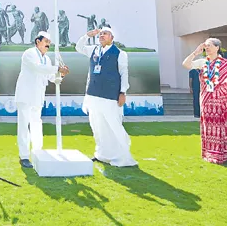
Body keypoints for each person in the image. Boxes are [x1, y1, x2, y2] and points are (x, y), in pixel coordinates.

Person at [75, 27, 137, 167]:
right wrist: (87, 35)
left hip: (110, 96)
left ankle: (123, 157)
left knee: (114, 126)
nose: (102, 35)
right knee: (97, 126)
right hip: (93, 94)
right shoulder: (94, 50)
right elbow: (78, 47)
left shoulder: (120, 53)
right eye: (101, 34)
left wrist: (123, 92)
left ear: (112, 37)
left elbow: (123, 73)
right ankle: (102, 154)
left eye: (105, 34)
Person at [14, 31, 69, 168]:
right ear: (38, 42)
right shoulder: (29, 53)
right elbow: (38, 68)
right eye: (46, 42)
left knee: (37, 124)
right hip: (25, 96)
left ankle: (37, 152)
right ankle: (24, 156)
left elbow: (51, 77)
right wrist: (57, 68)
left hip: (37, 98)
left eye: (49, 43)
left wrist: (60, 75)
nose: (48, 45)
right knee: (24, 126)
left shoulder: (47, 59)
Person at [182, 38, 227, 164]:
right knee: (208, 127)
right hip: (207, 101)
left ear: (217, 47)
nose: (207, 48)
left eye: (209, 45)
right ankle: (210, 154)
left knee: (223, 127)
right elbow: (186, 65)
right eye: (206, 46)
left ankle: (224, 155)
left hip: (223, 100)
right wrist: (195, 52)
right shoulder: (203, 62)